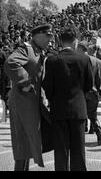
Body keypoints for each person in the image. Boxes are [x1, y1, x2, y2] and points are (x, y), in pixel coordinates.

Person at [42, 26, 93, 171]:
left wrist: (54, 99)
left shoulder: (51, 61)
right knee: (78, 153)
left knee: (61, 154)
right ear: (75, 41)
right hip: (78, 109)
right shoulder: (84, 59)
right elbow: (89, 85)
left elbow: (47, 86)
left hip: (59, 110)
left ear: (59, 40)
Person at [4, 24, 53, 171]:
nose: (50, 41)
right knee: (22, 144)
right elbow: (10, 63)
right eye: (47, 37)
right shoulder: (26, 48)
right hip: (22, 102)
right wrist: (25, 83)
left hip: (32, 102)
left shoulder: (38, 50)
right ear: (37, 36)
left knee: (28, 142)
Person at [76, 41, 101, 145]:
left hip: (83, 91)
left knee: (81, 115)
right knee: (93, 115)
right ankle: (99, 131)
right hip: (94, 91)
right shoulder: (100, 62)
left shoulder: (81, 60)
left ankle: (81, 137)